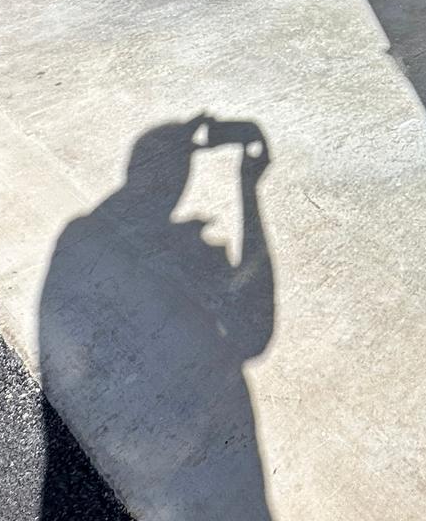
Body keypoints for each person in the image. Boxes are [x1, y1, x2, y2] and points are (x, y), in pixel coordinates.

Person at [37, 116, 273, 518]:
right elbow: (254, 336)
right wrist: (248, 188)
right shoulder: (85, 235)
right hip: (196, 463)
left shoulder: (77, 234)